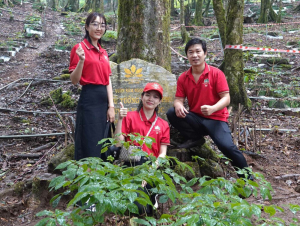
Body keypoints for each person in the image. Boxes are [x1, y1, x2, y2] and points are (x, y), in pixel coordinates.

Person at [166, 38, 252, 179]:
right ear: (186, 55)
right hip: (196, 118)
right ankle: (195, 138)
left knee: (227, 148)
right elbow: (178, 99)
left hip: (216, 119)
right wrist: (179, 105)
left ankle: (247, 179)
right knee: (172, 113)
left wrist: (213, 108)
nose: (195, 55)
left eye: (198, 51)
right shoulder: (183, 77)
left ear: (205, 53)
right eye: (190, 52)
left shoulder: (216, 73)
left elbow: (226, 98)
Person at [115, 82, 170, 214]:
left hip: (152, 166)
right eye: (148, 95)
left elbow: (163, 154)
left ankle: (152, 196)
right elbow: (118, 144)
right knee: (137, 209)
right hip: (131, 163)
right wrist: (120, 119)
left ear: (160, 101)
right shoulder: (130, 117)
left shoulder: (163, 124)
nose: (151, 99)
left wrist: (150, 170)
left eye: (156, 97)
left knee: (145, 210)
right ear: (142, 97)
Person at [69, 12, 115, 161]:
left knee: (104, 138)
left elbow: (108, 80)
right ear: (87, 26)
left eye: (102, 25)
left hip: (104, 100)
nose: (99, 28)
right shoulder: (80, 48)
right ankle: (87, 174)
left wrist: (111, 106)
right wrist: (81, 60)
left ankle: (102, 176)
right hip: (89, 99)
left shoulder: (104, 52)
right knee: (90, 139)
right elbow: (74, 80)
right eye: (95, 24)